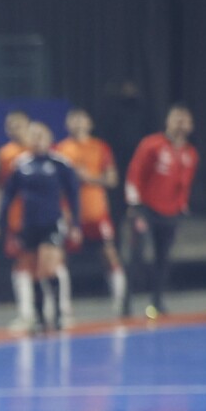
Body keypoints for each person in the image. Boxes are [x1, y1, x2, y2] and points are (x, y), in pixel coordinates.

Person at [0, 122, 81, 331]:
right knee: (34, 271)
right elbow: (8, 194)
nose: (37, 140)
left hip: (53, 222)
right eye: (33, 136)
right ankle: (38, 317)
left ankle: (58, 313)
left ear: (49, 139)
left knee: (48, 266)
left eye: (41, 136)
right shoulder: (21, 164)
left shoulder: (59, 163)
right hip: (29, 224)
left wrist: (75, 223)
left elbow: (73, 193)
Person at [124, 104, 199, 318]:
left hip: (171, 212)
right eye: (176, 119)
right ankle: (126, 302)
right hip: (145, 209)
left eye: (184, 120)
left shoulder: (190, 153)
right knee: (137, 254)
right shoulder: (152, 144)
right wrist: (134, 204)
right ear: (167, 121)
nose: (180, 124)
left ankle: (157, 301)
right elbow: (135, 173)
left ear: (191, 126)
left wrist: (182, 206)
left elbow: (185, 184)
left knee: (163, 258)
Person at [55, 107, 126, 316]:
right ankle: (63, 305)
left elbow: (112, 179)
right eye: (73, 120)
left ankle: (120, 301)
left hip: (96, 212)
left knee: (109, 254)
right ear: (67, 125)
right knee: (60, 257)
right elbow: (56, 183)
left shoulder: (100, 147)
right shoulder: (60, 149)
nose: (77, 123)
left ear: (90, 124)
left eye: (81, 119)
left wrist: (89, 178)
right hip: (70, 213)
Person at [0, 110, 37, 333]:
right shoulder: (6, 154)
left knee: (50, 261)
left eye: (19, 124)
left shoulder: (40, 147)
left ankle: (59, 311)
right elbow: (0, 187)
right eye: (10, 126)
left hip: (44, 214)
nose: (15, 129)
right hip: (18, 217)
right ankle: (27, 314)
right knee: (21, 262)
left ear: (28, 125)